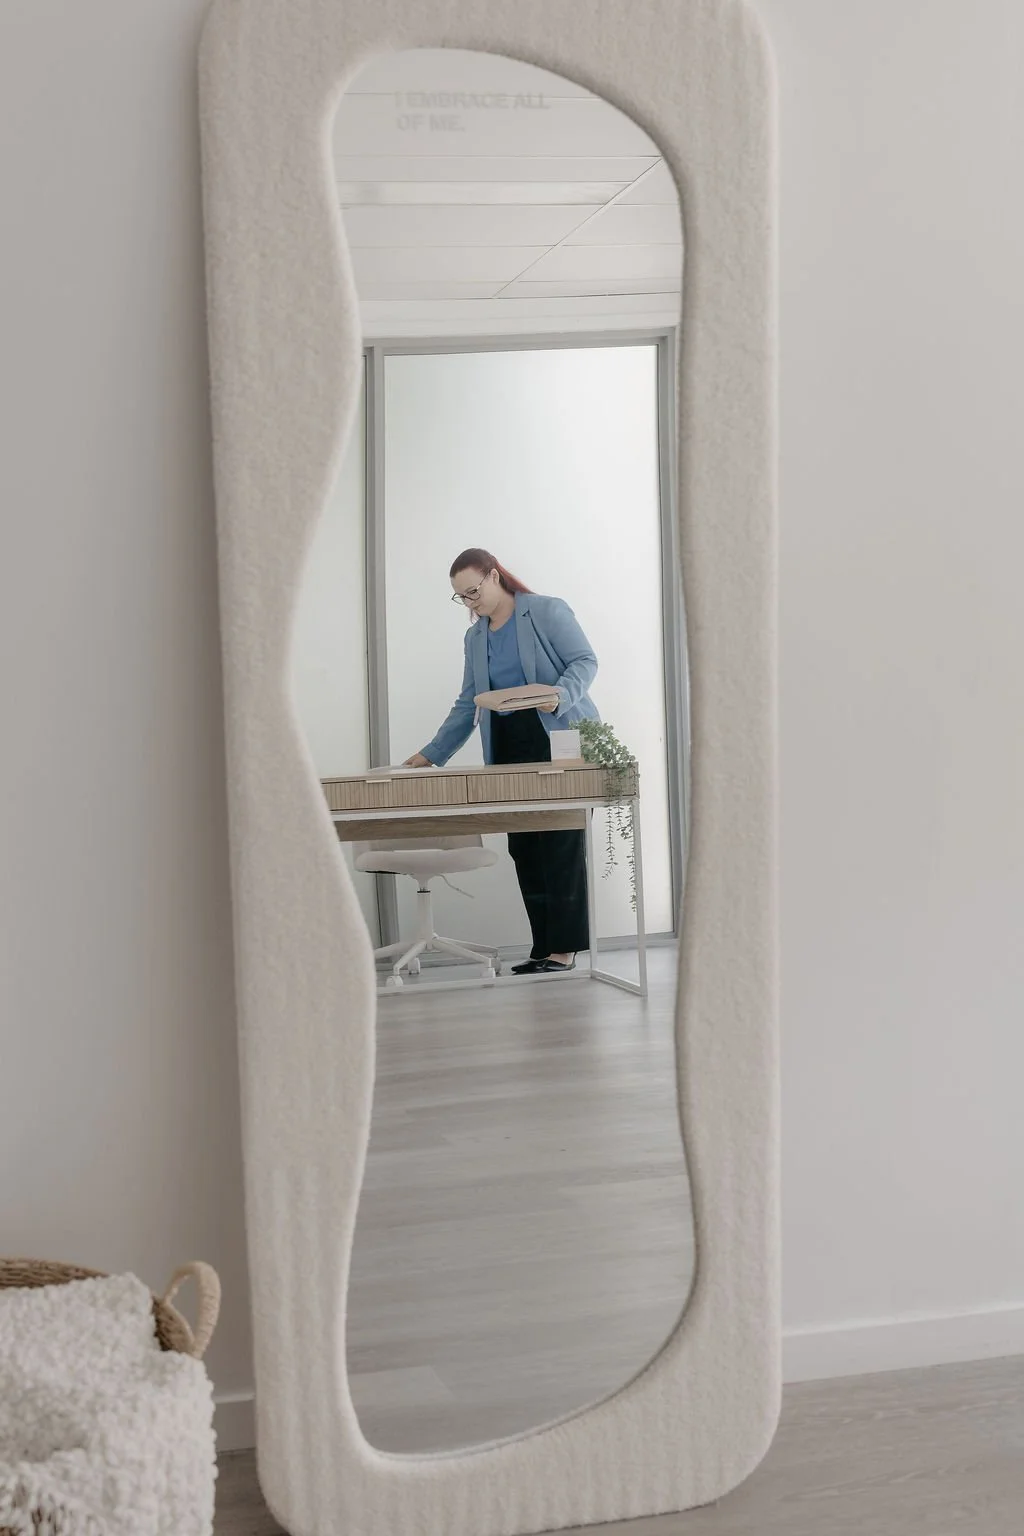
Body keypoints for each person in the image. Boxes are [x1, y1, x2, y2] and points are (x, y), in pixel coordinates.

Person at [404, 548, 600, 975]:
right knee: (524, 848)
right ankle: (543, 945)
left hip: (555, 733)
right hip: (509, 744)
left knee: (560, 843)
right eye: (461, 597)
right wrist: (430, 755)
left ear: (494, 576)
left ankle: (564, 950)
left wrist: (559, 695)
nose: (470, 602)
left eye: (473, 591)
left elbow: (585, 662)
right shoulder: (475, 637)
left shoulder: (546, 611)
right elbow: (467, 704)